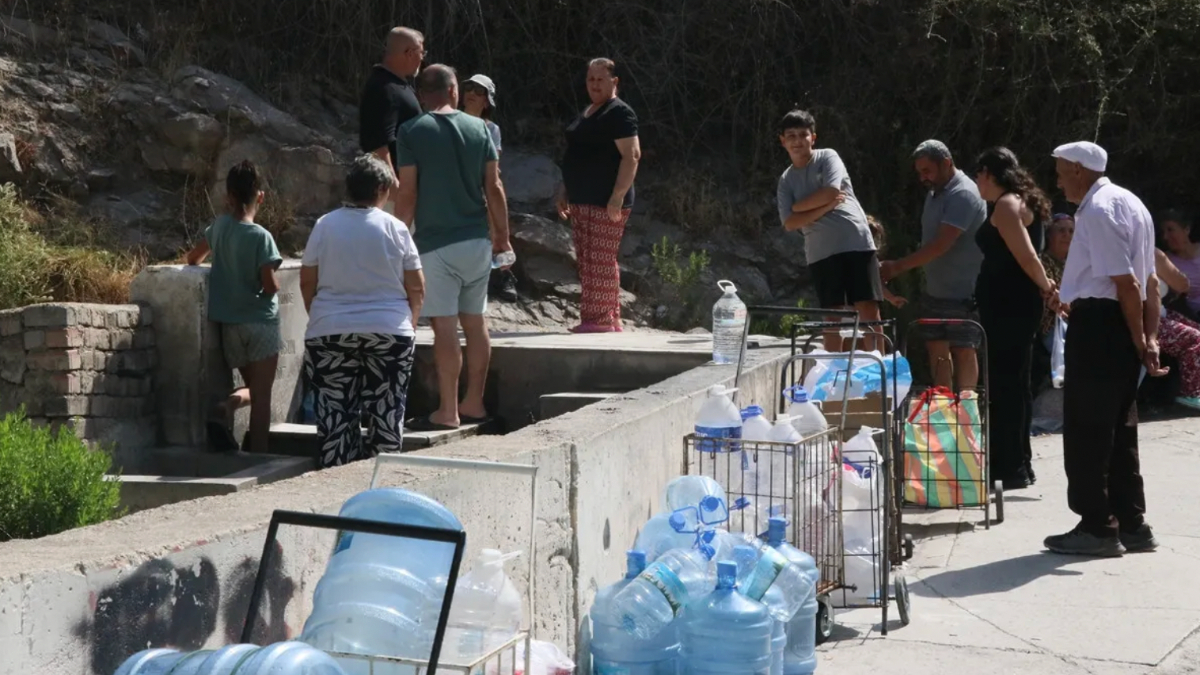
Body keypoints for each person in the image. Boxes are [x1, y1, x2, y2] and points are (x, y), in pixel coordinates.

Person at [1047, 140, 1161, 557]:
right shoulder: (1132, 203)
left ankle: (1096, 525)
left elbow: (1127, 282)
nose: (1058, 181)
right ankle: (1130, 522)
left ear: (1079, 170)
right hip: (1121, 324)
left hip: (1101, 326)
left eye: (1061, 172)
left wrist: (1138, 338)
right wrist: (1149, 338)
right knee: (1119, 427)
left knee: (1087, 430)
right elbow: (1148, 283)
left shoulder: (1098, 210)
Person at [395, 64, 512, 430]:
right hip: (476, 241)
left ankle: (448, 410)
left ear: (421, 95)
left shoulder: (412, 131)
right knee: (475, 324)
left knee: (445, 329)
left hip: (435, 244)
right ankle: (474, 401)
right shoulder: (480, 129)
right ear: (453, 92)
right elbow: (494, 188)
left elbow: (408, 192)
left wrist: (399, 238)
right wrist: (502, 238)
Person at [299, 155, 426, 468]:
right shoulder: (396, 229)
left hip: (330, 330)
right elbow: (417, 287)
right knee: (387, 412)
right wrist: (409, 323)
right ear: (381, 189)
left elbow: (307, 282)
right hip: (389, 330)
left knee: (335, 417)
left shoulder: (324, 226)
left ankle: (336, 490)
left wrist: (319, 315)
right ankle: (380, 492)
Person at [971, 147, 1056, 490]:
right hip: (1011, 304)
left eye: (978, 174)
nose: (976, 181)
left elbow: (1027, 256)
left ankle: (1009, 467)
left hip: (1009, 305)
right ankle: (1018, 462)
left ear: (988, 173)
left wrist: (1048, 288)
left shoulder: (1007, 204)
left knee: (1005, 385)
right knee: (1014, 384)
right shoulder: (1019, 201)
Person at [185, 160, 283, 455]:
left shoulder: (218, 228)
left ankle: (227, 405)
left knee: (254, 386)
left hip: (229, 325)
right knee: (263, 395)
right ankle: (260, 458)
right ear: (260, 196)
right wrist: (276, 286)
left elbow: (193, 259)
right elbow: (269, 285)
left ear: (227, 195)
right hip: (260, 322)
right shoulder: (261, 237)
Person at [881, 140, 987, 391]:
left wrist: (896, 268)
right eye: (919, 172)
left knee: (963, 349)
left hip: (964, 293)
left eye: (927, 171)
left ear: (947, 164)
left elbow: (940, 244)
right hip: (936, 291)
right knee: (936, 349)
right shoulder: (935, 192)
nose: (923, 178)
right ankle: (945, 410)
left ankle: (967, 412)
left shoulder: (963, 194)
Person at [775, 110, 881, 352]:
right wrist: (826, 207)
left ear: (813, 137)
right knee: (831, 314)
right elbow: (790, 223)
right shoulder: (786, 180)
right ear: (782, 140)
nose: (797, 141)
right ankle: (833, 373)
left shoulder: (827, 157)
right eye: (791, 135)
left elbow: (831, 191)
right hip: (821, 252)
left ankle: (878, 370)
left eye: (803, 134)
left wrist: (800, 207)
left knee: (867, 309)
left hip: (855, 241)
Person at [556, 58, 642, 333]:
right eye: (591, 79)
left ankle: (600, 319)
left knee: (601, 259)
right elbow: (578, 153)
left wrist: (617, 197)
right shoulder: (590, 110)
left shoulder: (619, 113)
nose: (594, 84)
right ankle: (606, 317)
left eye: (600, 79)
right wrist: (565, 189)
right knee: (587, 258)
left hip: (605, 200)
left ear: (614, 82)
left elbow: (632, 155)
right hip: (582, 198)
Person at [462, 73, 518, 304]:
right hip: (459, 183)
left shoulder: (492, 129)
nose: (472, 94)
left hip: (482, 181)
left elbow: (494, 162)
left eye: (479, 91)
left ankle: (504, 272)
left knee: (494, 202)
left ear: (487, 100)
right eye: (469, 88)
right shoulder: (451, 121)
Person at [358, 26, 425, 206]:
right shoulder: (384, 88)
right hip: (390, 195)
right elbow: (378, 142)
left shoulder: (395, 85)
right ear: (409, 53)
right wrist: (395, 189)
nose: (422, 58)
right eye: (421, 52)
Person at [1154, 248, 1200, 411]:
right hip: (1148, 319)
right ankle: (1191, 395)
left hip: (1161, 313)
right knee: (1195, 339)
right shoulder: (1152, 254)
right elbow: (1182, 284)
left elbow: (1183, 285)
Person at [1160, 209, 1200, 319]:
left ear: (1186, 229)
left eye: (1170, 230)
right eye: (1163, 232)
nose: (1165, 237)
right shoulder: (1165, 260)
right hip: (1193, 315)